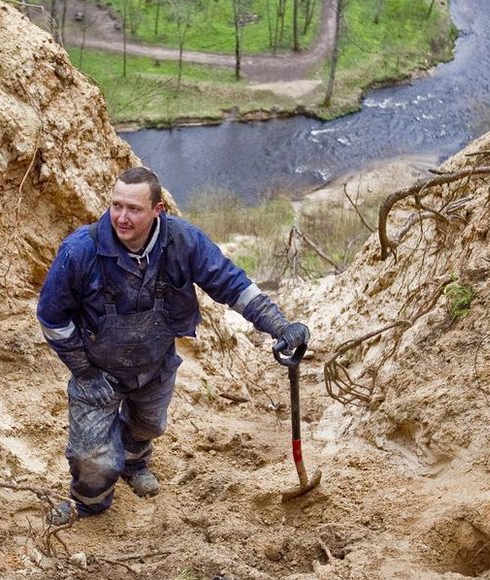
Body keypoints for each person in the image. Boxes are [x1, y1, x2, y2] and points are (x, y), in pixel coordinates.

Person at [37, 167, 309, 524]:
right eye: (116, 205)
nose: (121, 217)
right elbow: (51, 319)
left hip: (155, 365)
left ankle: (134, 463)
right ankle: (92, 503)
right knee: (93, 461)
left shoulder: (183, 242)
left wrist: (279, 325)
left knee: (149, 426)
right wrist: (84, 371)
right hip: (96, 372)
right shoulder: (80, 252)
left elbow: (231, 285)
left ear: (158, 210)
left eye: (133, 209)